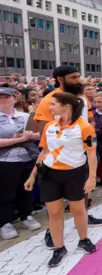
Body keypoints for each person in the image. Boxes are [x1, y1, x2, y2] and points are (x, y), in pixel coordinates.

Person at [31, 65, 102, 249]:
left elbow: (90, 120)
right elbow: (43, 131)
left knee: (80, 196)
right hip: (57, 158)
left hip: (81, 153)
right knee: (54, 206)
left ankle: (83, 217)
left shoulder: (82, 97)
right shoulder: (50, 100)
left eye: (79, 76)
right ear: (60, 79)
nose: (78, 80)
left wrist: (90, 141)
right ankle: (52, 232)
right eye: (73, 77)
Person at [24, 92, 98, 267]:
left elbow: (91, 154)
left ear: (66, 106)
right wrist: (32, 175)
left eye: (53, 104)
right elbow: (43, 152)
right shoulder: (50, 126)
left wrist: (92, 178)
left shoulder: (84, 127)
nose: (49, 107)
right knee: (54, 213)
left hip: (75, 173)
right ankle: (59, 248)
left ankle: (84, 239)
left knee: (77, 209)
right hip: (49, 174)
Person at [0, 88, 42, 240]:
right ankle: (5, 222)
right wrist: (19, 140)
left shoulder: (25, 116)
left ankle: (27, 216)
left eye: (7, 97)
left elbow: (39, 134)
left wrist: (30, 135)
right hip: (5, 161)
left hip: (27, 158)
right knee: (6, 192)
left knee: (26, 190)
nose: (4, 99)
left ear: (14, 99)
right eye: (1, 97)